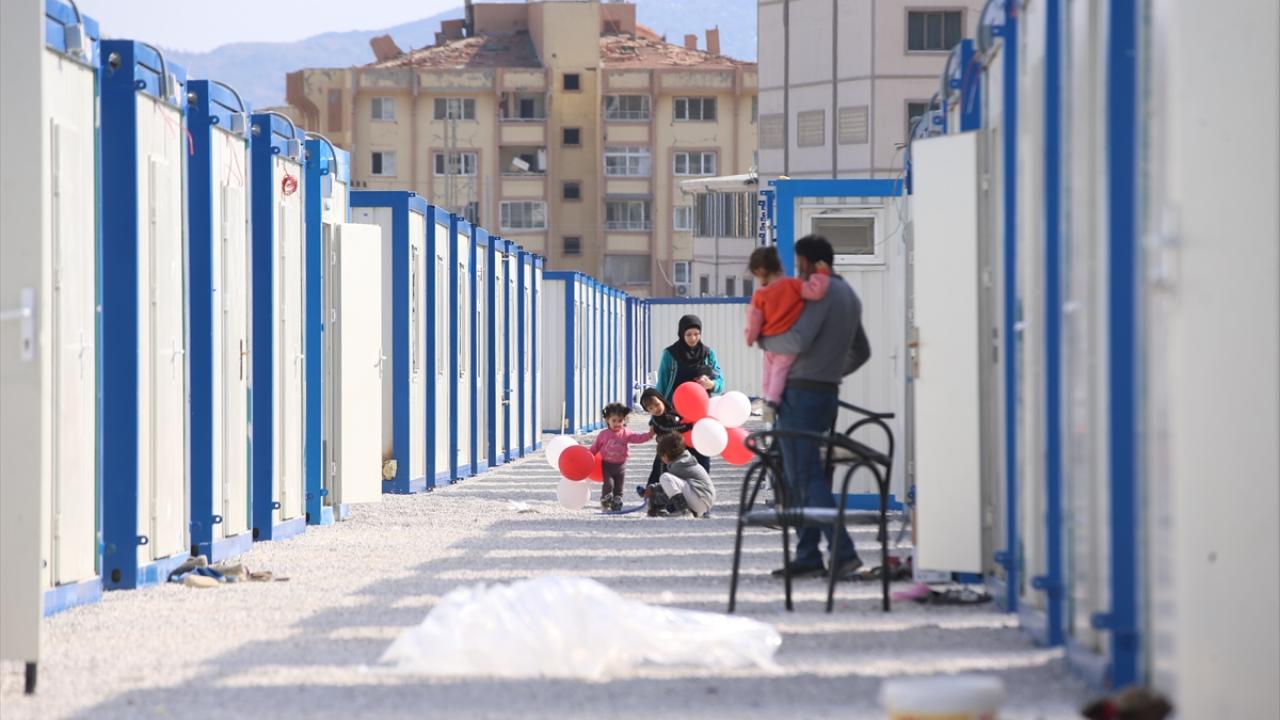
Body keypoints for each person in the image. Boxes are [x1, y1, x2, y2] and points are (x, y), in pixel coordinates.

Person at [757, 235, 872, 580]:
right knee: (803, 476)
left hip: (801, 395)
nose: (799, 271)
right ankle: (807, 554)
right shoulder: (849, 294)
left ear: (811, 262)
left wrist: (763, 339)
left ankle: (843, 553)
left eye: (800, 264)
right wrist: (831, 371)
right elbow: (862, 352)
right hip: (826, 395)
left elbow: (798, 339)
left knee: (804, 476)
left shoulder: (821, 294)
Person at [744, 245, 832, 420]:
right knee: (780, 371)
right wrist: (822, 272)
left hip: (770, 341)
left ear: (761, 270)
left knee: (769, 373)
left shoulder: (760, 295)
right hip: (790, 341)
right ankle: (772, 403)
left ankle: (769, 403)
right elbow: (816, 291)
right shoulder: (794, 285)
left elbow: (754, 321)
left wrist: (750, 338)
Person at [655, 314, 724, 473]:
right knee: (673, 455)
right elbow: (662, 385)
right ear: (681, 333)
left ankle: (701, 486)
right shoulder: (670, 354)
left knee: (701, 455)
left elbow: (721, 382)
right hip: (675, 414)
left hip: (700, 416)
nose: (693, 338)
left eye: (696, 334)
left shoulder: (708, 354)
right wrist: (657, 415)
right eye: (688, 334)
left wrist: (711, 384)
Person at [588, 403, 653, 511]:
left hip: (620, 466)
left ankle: (617, 499)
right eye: (614, 421)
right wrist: (588, 456)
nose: (617, 423)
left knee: (619, 485)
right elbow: (595, 447)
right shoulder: (603, 434)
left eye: (620, 421)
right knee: (608, 484)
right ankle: (605, 498)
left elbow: (637, 438)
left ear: (624, 421)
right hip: (607, 465)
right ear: (607, 420)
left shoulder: (626, 433)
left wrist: (649, 435)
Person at [645, 433, 716, 518]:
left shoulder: (678, 465)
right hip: (703, 501)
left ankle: (684, 511)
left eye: (661, 457)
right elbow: (675, 486)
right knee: (667, 483)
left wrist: (654, 493)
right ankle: (687, 511)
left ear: (665, 455)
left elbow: (668, 487)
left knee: (664, 477)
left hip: (700, 499)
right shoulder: (685, 461)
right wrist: (653, 489)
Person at [640, 388, 691, 488]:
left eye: (657, 404)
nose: (655, 409)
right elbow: (668, 428)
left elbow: (681, 417)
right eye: (651, 408)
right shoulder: (656, 419)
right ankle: (651, 491)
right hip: (664, 451)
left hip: (677, 450)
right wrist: (688, 426)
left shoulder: (672, 411)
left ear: (662, 400)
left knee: (676, 472)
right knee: (659, 472)